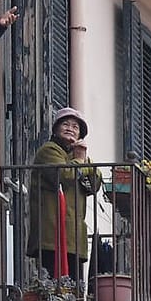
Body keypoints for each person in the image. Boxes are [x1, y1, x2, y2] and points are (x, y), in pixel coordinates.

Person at [27, 108, 101, 282]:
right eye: (65, 124)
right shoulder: (49, 151)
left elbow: (94, 184)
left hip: (74, 237)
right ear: (56, 129)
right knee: (55, 281)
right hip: (52, 234)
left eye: (75, 127)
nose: (70, 129)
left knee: (73, 286)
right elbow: (65, 175)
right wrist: (80, 162)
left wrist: (82, 162)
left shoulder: (79, 157)